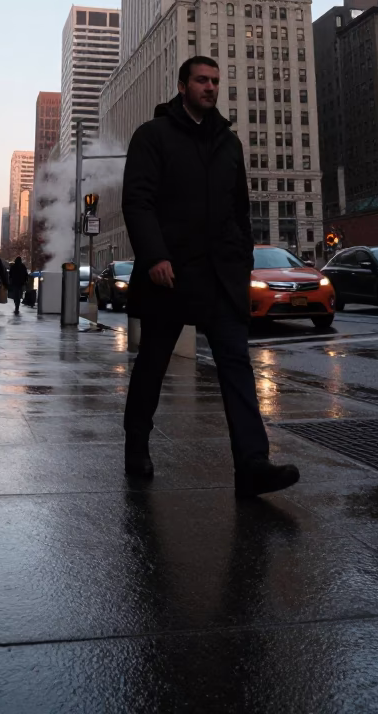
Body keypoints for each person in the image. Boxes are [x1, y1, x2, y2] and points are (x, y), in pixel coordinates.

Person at [121, 56, 300, 498]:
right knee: (153, 367)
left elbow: (240, 210)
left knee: (237, 365)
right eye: (202, 80)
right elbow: (138, 202)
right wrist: (155, 256)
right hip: (171, 275)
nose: (210, 87)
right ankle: (136, 445)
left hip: (221, 277)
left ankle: (253, 465)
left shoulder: (229, 143)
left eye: (216, 81)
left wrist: (242, 259)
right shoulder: (152, 136)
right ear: (182, 86)